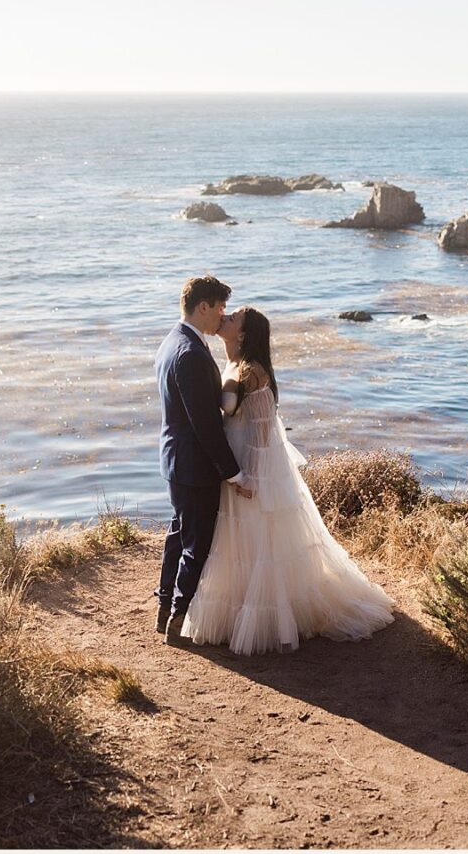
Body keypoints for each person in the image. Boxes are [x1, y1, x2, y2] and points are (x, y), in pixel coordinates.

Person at [182, 306, 394, 654]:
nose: (226, 317)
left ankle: (268, 616)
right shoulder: (232, 363)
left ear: (243, 334)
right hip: (233, 461)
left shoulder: (254, 371)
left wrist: (250, 477)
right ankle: (237, 609)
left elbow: (262, 432)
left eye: (234, 318)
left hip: (252, 465)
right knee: (236, 540)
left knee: (259, 537)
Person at [153, 275, 253, 645]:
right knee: (196, 547)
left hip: (175, 460)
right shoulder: (191, 354)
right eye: (220, 307)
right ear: (203, 307)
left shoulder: (172, 341)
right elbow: (206, 425)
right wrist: (234, 473)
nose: (223, 315)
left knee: (178, 536)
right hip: (194, 467)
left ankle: (164, 607)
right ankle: (177, 619)